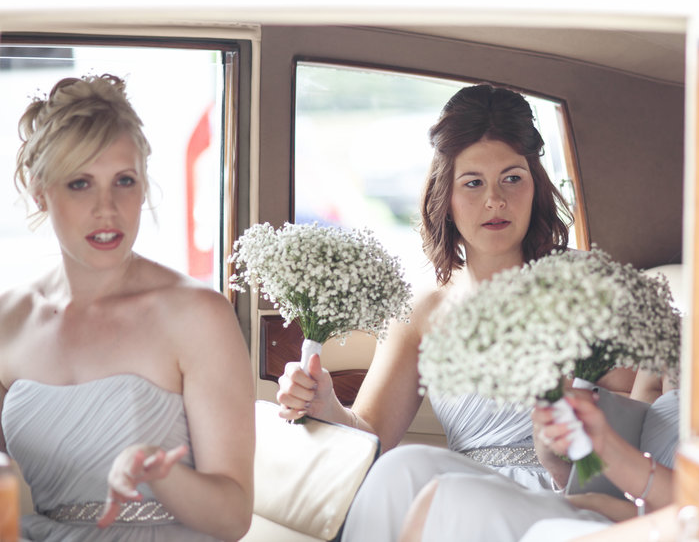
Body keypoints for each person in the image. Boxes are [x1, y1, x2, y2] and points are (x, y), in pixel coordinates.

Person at [277, 83, 577, 538]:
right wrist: (325, 403)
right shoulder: (422, 312)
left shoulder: (582, 292)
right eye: (473, 183)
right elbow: (370, 436)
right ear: (447, 198)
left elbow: (633, 413)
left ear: (535, 187)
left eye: (512, 178)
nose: (495, 200)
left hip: (558, 497)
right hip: (456, 499)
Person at [0, 74, 254, 541]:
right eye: (79, 184)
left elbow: (234, 517)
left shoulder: (198, 314)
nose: (107, 208)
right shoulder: (8, 320)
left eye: (124, 181)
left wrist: (160, 473)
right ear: (40, 192)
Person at [394, 384, 680, 542]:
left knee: (452, 501)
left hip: (669, 519)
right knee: (403, 464)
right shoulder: (678, 391)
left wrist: (598, 505)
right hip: (648, 507)